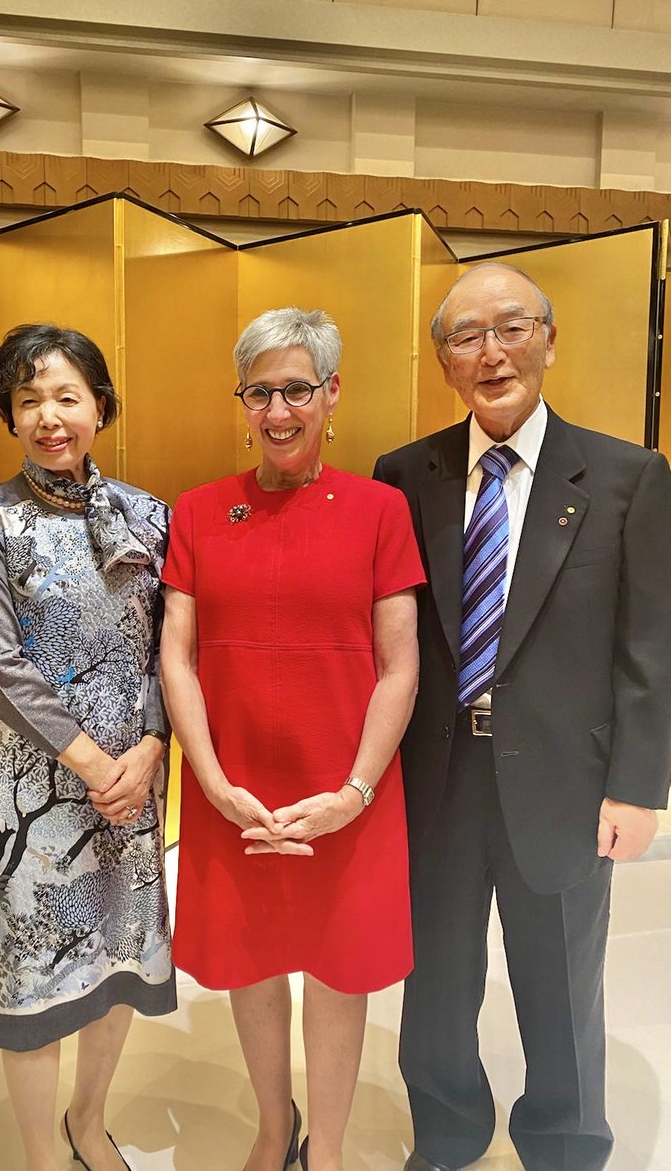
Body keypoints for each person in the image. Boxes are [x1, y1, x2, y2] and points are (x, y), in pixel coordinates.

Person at [373, 263, 671, 1171]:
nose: (491, 352)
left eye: (512, 328)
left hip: (568, 784)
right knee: (437, 981)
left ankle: (568, 1141)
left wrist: (637, 788)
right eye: (467, 336)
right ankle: (450, 1131)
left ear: (549, 339)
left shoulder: (627, 475)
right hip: (438, 782)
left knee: (562, 982)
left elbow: (651, 647)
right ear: (443, 361)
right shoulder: (403, 475)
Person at [160, 307, 425, 1171]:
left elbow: (399, 666)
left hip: (347, 788)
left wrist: (353, 792)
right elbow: (179, 657)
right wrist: (210, 779)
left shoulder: (382, 510)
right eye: (261, 392)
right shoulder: (198, 512)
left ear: (332, 394)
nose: (279, 411)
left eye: (297, 391)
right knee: (250, 963)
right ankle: (274, 1130)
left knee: (340, 972)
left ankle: (333, 1151)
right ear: (241, 400)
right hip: (232, 788)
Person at [0, 324, 176, 1171]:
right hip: (36, 792)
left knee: (118, 955)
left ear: (100, 407)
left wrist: (152, 745)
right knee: (35, 978)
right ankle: (40, 1159)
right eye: (27, 401)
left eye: (66, 397)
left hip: (134, 782)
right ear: (8, 416)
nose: (48, 417)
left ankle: (89, 1123)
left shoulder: (151, 514)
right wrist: (89, 762)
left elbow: (170, 647)